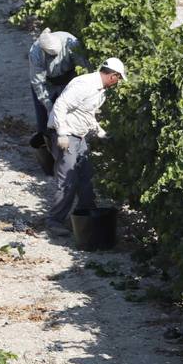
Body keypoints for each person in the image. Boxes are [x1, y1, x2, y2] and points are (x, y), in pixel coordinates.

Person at [46, 57, 125, 236]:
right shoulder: (85, 84)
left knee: (85, 175)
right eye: (119, 78)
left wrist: (100, 132)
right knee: (68, 180)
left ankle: (87, 216)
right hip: (67, 136)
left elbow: (87, 114)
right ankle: (54, 221)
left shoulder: (99, 91)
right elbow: (60, 105)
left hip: (78, 136)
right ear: (113, 75)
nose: (118, 82)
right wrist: (62, 133)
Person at [28, 29, 90, 142]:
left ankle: (77, 137)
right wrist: (49, 106)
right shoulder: (35, 52)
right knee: (45, 114)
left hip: (69, 77)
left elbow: (83, 69)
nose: (54, 58)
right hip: (47, 82)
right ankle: (45, 137)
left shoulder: (71, 42)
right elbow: (38, 82)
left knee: (71, 111)